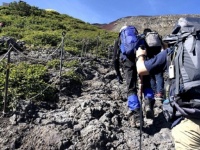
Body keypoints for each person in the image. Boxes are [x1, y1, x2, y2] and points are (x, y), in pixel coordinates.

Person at [135, 43, 200, 149]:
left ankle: (149, 100)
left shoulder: (174, 50)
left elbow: (141, 69)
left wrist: (140, 55)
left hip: (188, 123)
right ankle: (158, 95)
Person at [113, 25, 155, 127]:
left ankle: (137, 117)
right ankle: (149, 102)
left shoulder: (120, 40)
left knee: (131, 88)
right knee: (147, 84)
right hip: (141, 58)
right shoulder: (139, 37)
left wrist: (118, 74)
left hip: (127, 62)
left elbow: (115, 58)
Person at [143, 28, 164, 100]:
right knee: (159, 75)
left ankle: (154, 92)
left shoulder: (145, 38)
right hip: (158, 58)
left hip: (149, 59)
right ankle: (160, 93)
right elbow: (162, 46)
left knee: (151, 76)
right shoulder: (156, 36)